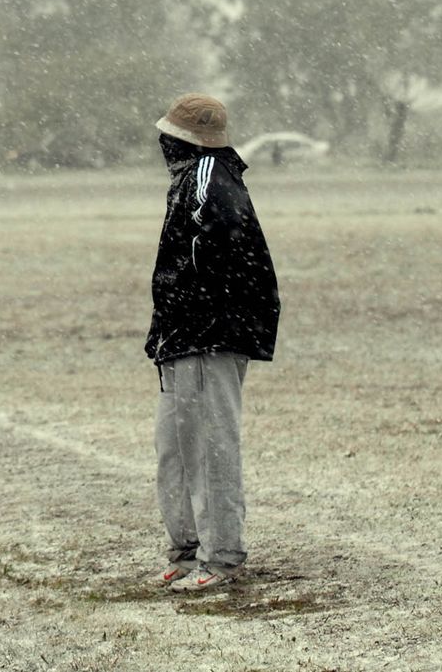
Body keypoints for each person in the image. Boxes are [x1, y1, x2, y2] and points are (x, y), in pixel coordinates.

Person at [145, 93, 279, 593]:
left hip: (205, 337)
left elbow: (214, 255)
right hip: (184, 337)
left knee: (208, 447)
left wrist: (196, 317)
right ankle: (186, 549)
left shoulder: (207, 178)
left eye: (169, 136)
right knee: (176, 448)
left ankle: (219, 557)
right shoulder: (196, 178)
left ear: (182, 140)